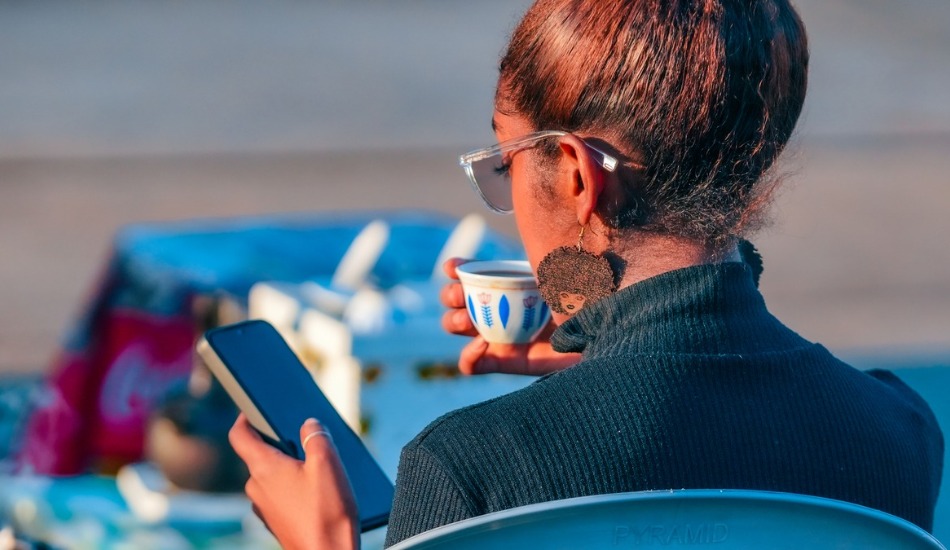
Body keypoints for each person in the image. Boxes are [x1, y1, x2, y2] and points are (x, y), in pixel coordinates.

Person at [228, 0, 945, 547]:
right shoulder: (896, 433)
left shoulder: (471, 472)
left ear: (576, 176)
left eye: (506, 163)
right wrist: (609, 356)